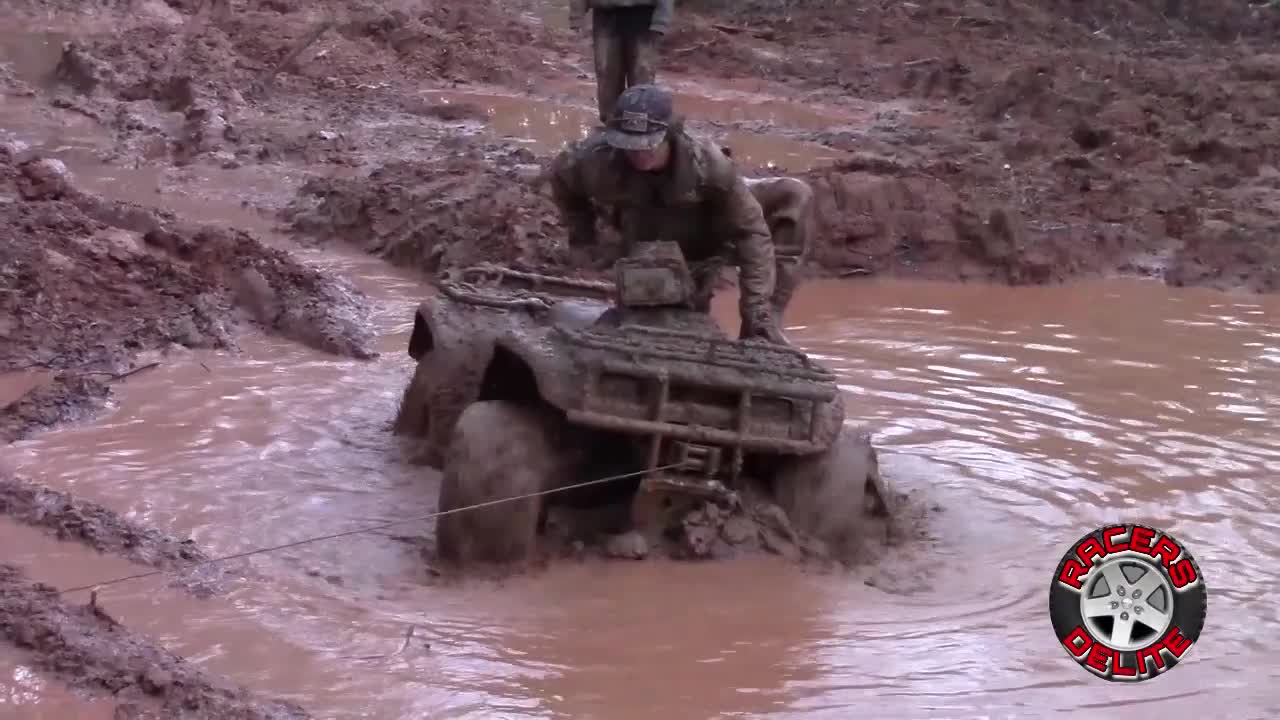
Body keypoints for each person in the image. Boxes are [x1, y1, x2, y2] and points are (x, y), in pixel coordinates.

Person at [546, 83, 786, 344]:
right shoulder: (595, 159)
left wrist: (756, 310)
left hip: (698, 243)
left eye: (648, 145)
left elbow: (751, 233)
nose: (638, 154)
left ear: (670, 133)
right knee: (639, 318)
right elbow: (562, 177)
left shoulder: (709, 166)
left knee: (690, 325)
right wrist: (583, 235)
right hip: (635, 237)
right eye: (630, 145)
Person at [568, 0, 675, 124]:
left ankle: (639, 125)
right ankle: (611, 123)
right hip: (605, 16)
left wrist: (662, 18)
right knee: (606, 71)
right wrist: (576, 14)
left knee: (642, 73)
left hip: (644, 16)